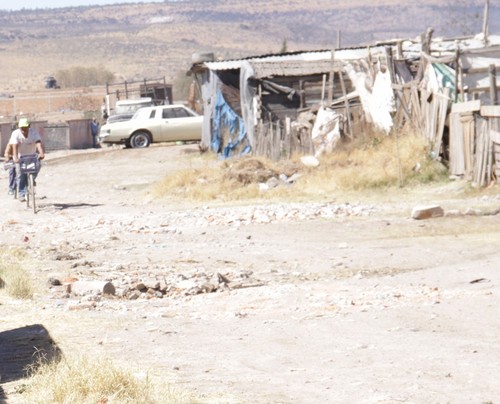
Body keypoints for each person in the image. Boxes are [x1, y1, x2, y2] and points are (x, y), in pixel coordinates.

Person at [9, 118, 45, 201]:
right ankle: (22, 193)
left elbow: (38, 143)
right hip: (20, 156)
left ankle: (32, 180)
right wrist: (16, 158)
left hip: (32, 155)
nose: (23, 129)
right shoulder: (16, 134)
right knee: (21, 174)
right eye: (21, 127)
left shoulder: (33, 132)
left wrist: (41, 153)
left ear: (29, 126)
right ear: (19, 127)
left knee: (38, 165)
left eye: (25, 127)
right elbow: (14, 147)